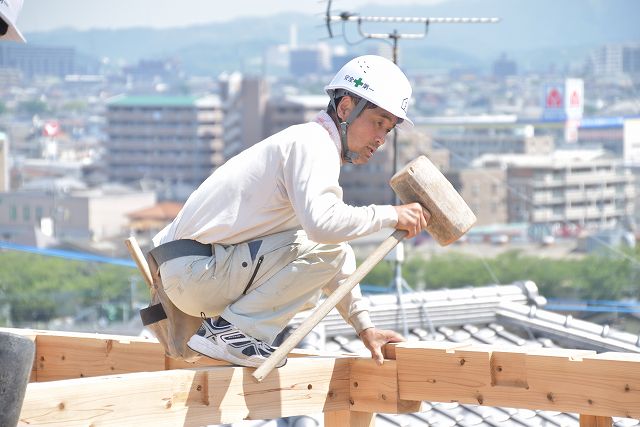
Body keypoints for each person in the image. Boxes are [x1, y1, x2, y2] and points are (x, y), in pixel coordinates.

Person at [150, 55, 430, 369]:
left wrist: (366, 329)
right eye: (378, 122)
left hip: (189, 276)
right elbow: (325, 231)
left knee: (331, 249)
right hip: (196, 275)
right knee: (330, 246)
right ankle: (232, 334)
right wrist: (392, 215)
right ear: (346, 108)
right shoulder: (313, 145)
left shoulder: (302, 145)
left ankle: (230, 332)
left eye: (389, 130)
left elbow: (331, 252)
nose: (381, 138)